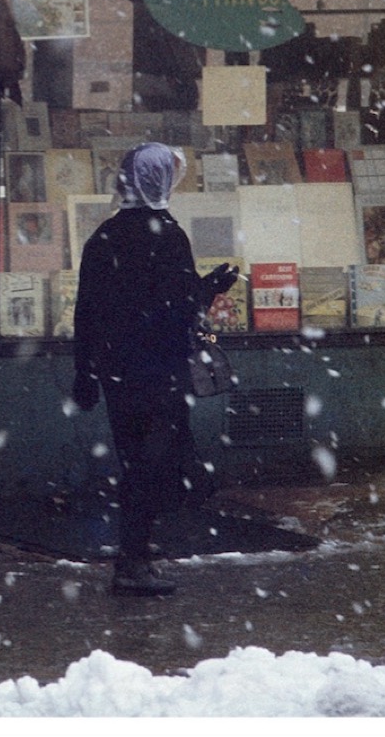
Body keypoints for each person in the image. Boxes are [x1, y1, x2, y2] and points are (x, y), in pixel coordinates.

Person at [72, 142, 238, 596]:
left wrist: (84, 372)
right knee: (154, 464)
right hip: (159, 370)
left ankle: (135, 555)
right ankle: (134, 559)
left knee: (135, 462)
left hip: (118, 371)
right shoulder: (168, 236)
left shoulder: (104, 237)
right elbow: (181, 307)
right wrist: (214, 286)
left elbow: (86, 311)